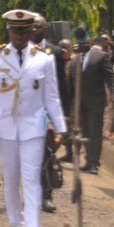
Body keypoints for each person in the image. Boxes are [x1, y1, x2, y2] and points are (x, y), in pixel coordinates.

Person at [0, 9, 66, 227]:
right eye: (16, 31)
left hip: (33, 127)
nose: (20, 35)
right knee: (11, 178)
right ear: (9, 30)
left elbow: (52, 96)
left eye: (25, 30)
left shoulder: (43, 58)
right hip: (5, 127)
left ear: (31, 31)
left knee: (31, 178)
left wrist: (60, 128)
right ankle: (16, 224)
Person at [30, 15, 69, 213]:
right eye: (32, 26)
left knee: (46, 154)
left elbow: (61, 87)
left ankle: (46, 196)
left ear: (46, 29)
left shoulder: (54, 52)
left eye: (39, 26)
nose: (35, 29)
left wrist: (63, 118)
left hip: (45, 115)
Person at [68, 27, 113, 174]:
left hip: (95, 101)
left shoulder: (100, 56)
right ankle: (88, 160)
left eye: (86, 42)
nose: (84, 46)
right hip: (80, 103)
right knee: (85, 131)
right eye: (81, 44)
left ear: (90, 41)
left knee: (94, 132)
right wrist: (71, 105)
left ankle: (94, 163)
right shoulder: (73, 63)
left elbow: (110, 78)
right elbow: (71, 87)